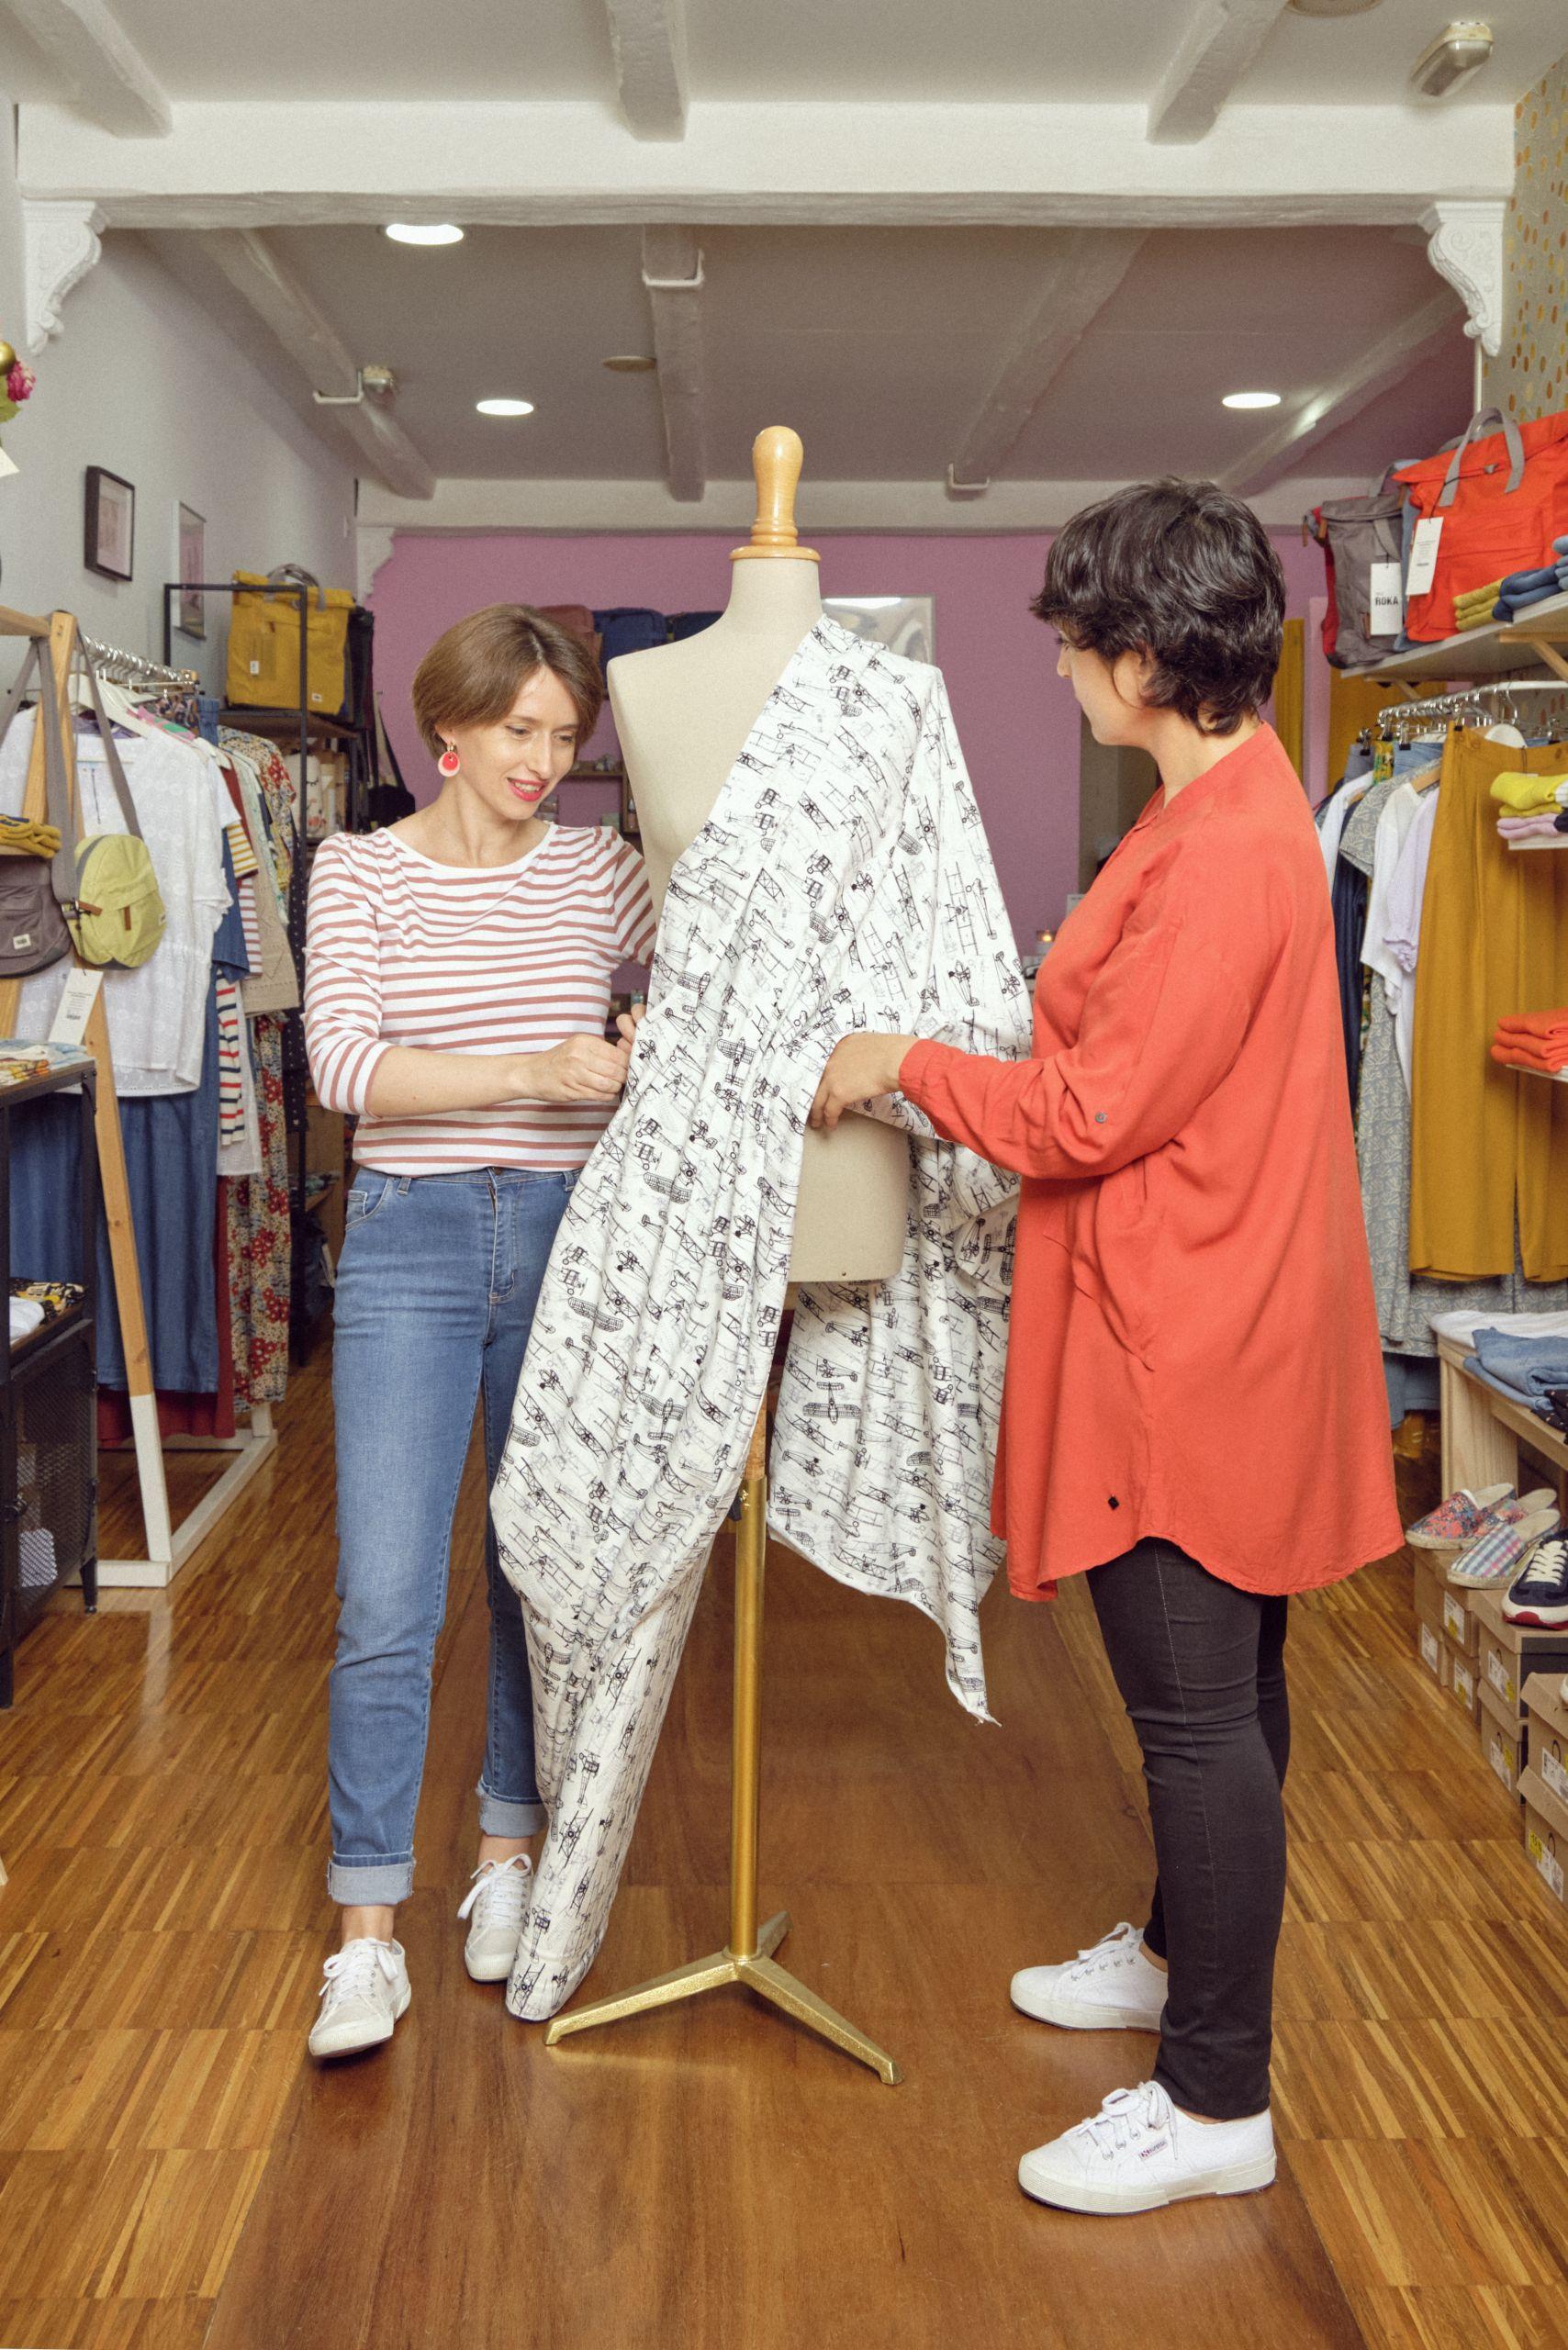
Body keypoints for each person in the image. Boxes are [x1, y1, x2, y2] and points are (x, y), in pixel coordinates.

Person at [810, 480, 1401, 2215]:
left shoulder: (1221, 853)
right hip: (1222, 1303)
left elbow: (1085, 1113)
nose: (1063, 668)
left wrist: (902, 1060)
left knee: (1198, 1719)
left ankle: (1218, 2099)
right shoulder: (1231, 805)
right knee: (1233, 1699)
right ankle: (1172, 1954)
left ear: (1145, 662)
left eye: (1077, 643)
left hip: (1185, 1338)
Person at [303, 603, 655, 2060]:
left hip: (571, 1240)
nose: (543, 761)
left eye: (565, 738)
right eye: (518, 730)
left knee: (535, 1571)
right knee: (387, 1593)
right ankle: (365, 1935)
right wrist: (537, 1067)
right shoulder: (357, 870)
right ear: (447, 729)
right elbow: (345, 1070)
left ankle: (509, 1860)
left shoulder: (602, 873)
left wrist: (641, 1055)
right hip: (412, 1241)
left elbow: (709, 975)